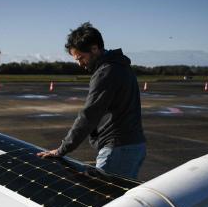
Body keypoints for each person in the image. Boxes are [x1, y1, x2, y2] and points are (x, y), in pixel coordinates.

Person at [37, 22, 146, 179]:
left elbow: (88, 115)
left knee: (104, 199)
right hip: (133, 145)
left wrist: (62, 149)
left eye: (81, 58)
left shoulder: (105, 72)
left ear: (94, 49)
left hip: (119, 148)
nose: (79, 63)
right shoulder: (121, 66)